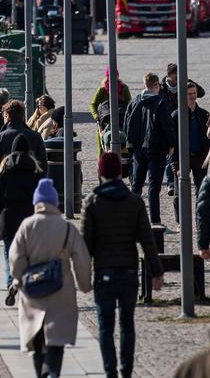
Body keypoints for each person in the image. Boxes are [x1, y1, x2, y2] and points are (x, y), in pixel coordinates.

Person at [81, 151, 164, 378]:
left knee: (106, 326)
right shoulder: (134, 202)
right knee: (127, 324)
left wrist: (82, 276)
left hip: (104, 273)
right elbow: (147, 240)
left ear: (99, 172)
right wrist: (157, 272)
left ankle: (110, 372)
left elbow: (84, 247)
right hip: (128, 272)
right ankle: (126, 372)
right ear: (119, 172)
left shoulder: (92, 202)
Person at [9, 178, 92, 378]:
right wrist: (84, 284)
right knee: (57, 338)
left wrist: (17, 279)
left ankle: (43, 372)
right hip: (60, 286)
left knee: (38, 340)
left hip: (33, 288)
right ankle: (52, 371)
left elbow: (15, 257)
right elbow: (82, 258)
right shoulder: (67, 228)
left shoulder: (27, 226)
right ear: (55, 202)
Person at [0, 133, 42, 304]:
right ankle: (25, 283)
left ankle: (10, 282)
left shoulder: (3, 169)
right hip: (29, 218)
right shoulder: (35, 170)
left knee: (9, 254)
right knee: (27, 253)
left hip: (8, 217)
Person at [124, 71, 174, 225]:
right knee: (154, 186)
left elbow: (126, 124)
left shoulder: (134, 102)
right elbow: (167, 126)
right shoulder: (160, 103)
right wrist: (171, 145)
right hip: (156, 149)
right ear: (156, 85)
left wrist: (131, 145)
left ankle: (131, 217)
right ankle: (155, 220)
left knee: (136, 185)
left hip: (138, 150)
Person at [172, 80, 210, 223]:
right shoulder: (176, 116)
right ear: (183, 95)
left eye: (194, 93)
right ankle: (180, 222)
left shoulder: (204, 114)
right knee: (179, 192)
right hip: (182, 158)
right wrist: (174, 162)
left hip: (200, 157)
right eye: (189, 94)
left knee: (202, 191)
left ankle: (199, 220)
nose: (193, 96)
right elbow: (172, 142)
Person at [0, 100, 48, 175]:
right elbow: (43, 166)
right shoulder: (36, 137)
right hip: (31, 183)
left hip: (7, 183)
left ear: (7, 115)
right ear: (22, 116)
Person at [91, 68, 132, 157]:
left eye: (115, 75)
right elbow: (93, 104)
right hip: (105, 121)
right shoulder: (102, 90)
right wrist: (96, 116)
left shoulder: (124, 88)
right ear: (107, 77)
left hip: (121, 118)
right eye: (110, 76)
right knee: (102, 147)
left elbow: (130, 104)